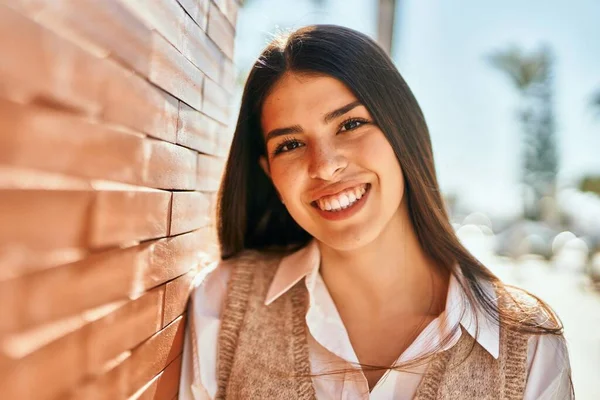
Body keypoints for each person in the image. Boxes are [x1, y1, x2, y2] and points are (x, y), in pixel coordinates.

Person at [179, 25, 572, 399]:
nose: (324, 165)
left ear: (402, 134)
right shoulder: (223, 303)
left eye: (350, 124)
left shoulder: (529, 342)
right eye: (290, 145)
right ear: (270, 176)